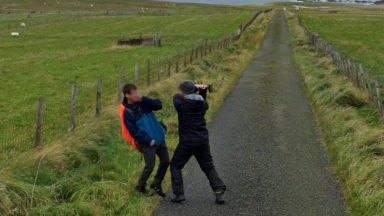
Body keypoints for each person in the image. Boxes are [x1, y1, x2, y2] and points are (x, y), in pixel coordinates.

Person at [170, 81, 226, 204]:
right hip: (202, 140)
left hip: (187, 142)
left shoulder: (181, 104)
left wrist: (194, 88)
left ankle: (179, 194)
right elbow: (202, 99)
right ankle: (218, 189)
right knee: (208, 166)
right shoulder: (203, 104)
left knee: (175, 165)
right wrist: (201, 90)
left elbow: (176, 97)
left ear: (183, 92)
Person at [119, 83, 170, 197]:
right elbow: (133, 131)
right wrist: (148, 140)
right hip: (147, 143)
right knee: (150, 166)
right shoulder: (127, 112)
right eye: (135, 93)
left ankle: (156, 184)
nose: (138, 95)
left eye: (138, 92)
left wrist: (143, 99)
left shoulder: (143, 103)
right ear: (127, 95)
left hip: (158, 137)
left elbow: (159, 105)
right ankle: (140, 187)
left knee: (166, 161)